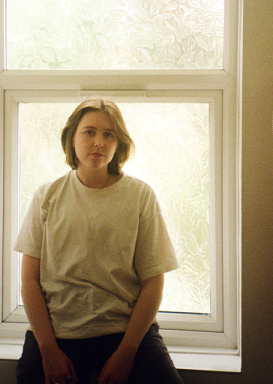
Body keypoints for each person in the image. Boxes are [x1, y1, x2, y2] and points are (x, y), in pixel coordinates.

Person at [14, 97, 185, 384]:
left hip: (125, 331)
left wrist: (127, 353)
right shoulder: (47, 196)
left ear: (119, 144)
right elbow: (29, 280)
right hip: (58, 333)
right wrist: (47, 349)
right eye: (89, 132)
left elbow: (154, 280)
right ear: (72, 138)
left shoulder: (140, 196)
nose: (98, 143)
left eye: (109, 135)